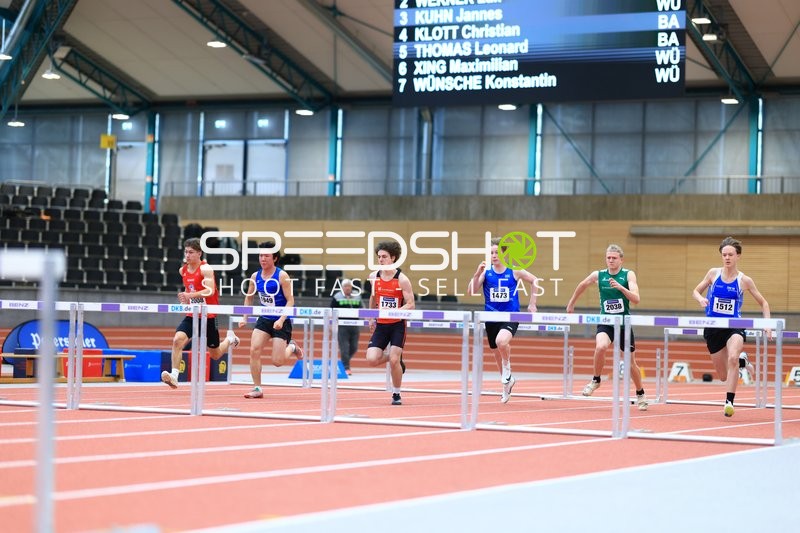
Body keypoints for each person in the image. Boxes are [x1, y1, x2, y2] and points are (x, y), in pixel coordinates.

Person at [691, 236, 771, 417]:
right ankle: (744, 361)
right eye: (724, 254)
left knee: (732, 358)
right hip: (713, 327)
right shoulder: (713, 274)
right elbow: (695, 290)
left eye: (730, 255)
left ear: (738, 256)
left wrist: (767, 325)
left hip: (735, 326)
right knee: (723, 376)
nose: (727, 258)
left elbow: (764, 303)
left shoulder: (745, 281)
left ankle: (729, 402)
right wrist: (701, 299)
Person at [565, 244, 648, 410]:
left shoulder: (628, 274)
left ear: (621, 260)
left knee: (630, 363)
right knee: (601, 346)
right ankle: (596, 380)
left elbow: (636, 299)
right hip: (606, 322)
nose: (610, 260)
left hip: (624, 323)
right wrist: (571, 303)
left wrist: (620, 288)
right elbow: (582, 285)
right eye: (608, 257)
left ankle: (640, 393)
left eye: (614, 258)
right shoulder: (599, 275)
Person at [162, 237, 239, 388]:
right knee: (178, 340)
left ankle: (230, 340)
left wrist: (190, 296)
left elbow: (209, 291)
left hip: (209, 315)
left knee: (215, 354)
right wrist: (185, 298)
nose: (187, 255)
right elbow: (189, 289)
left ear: (199, 253)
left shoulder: (206, 269)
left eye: (191, 252)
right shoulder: (182, 270)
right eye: (186, 252)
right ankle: (174, 376)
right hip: (193, 315)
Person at [468, 236, 539, 403]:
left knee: (502, 342)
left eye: (497, 252)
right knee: (496, 354)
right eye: (491, 252)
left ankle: (508, 369)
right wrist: (477, 273)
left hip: (511, 316)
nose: (494, 255)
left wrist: (532, 303)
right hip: (491, 317)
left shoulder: (514, 271)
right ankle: (506, 386)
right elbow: (471, 291)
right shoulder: (486, 272)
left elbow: (535, 280)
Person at [238, 241, 304, 399]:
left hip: (281, 320)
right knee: (254, 350)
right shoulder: (255, 276)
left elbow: (290, 301)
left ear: (274, 258)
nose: (263, 258)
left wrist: (282, 319)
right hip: (264, 319)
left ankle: (292, 347)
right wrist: (244, 317)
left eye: (266, 256)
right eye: (261, 255)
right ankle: (257, 388)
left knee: (277, 361)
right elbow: (249, 298)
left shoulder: (282, 276)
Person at [365, 241, 415, 405]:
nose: (380, 260)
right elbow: (373, 297)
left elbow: (411, 304)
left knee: (394, 361)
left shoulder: (402, 279)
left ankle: (396, 393)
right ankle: (395, 358)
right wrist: (371, 316)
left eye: (384, 256)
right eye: (379, 257)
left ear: (393, 258)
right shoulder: (374, 276)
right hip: (381, 324)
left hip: (397, 325)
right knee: (372, 359)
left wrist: (396, 311)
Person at [330, 278, 363, 375]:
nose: (347, 288)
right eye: (345, 286)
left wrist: (368, 319)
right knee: (344, 348)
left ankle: (343, 362)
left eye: (349, 286)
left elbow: (362, 309)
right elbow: (331, 311)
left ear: (351, 287)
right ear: (342, 287)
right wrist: (331, 324)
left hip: (354, 325)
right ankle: (346, 367)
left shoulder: (357, 296)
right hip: (342, 326)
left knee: (354, 347)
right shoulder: (337, 296)